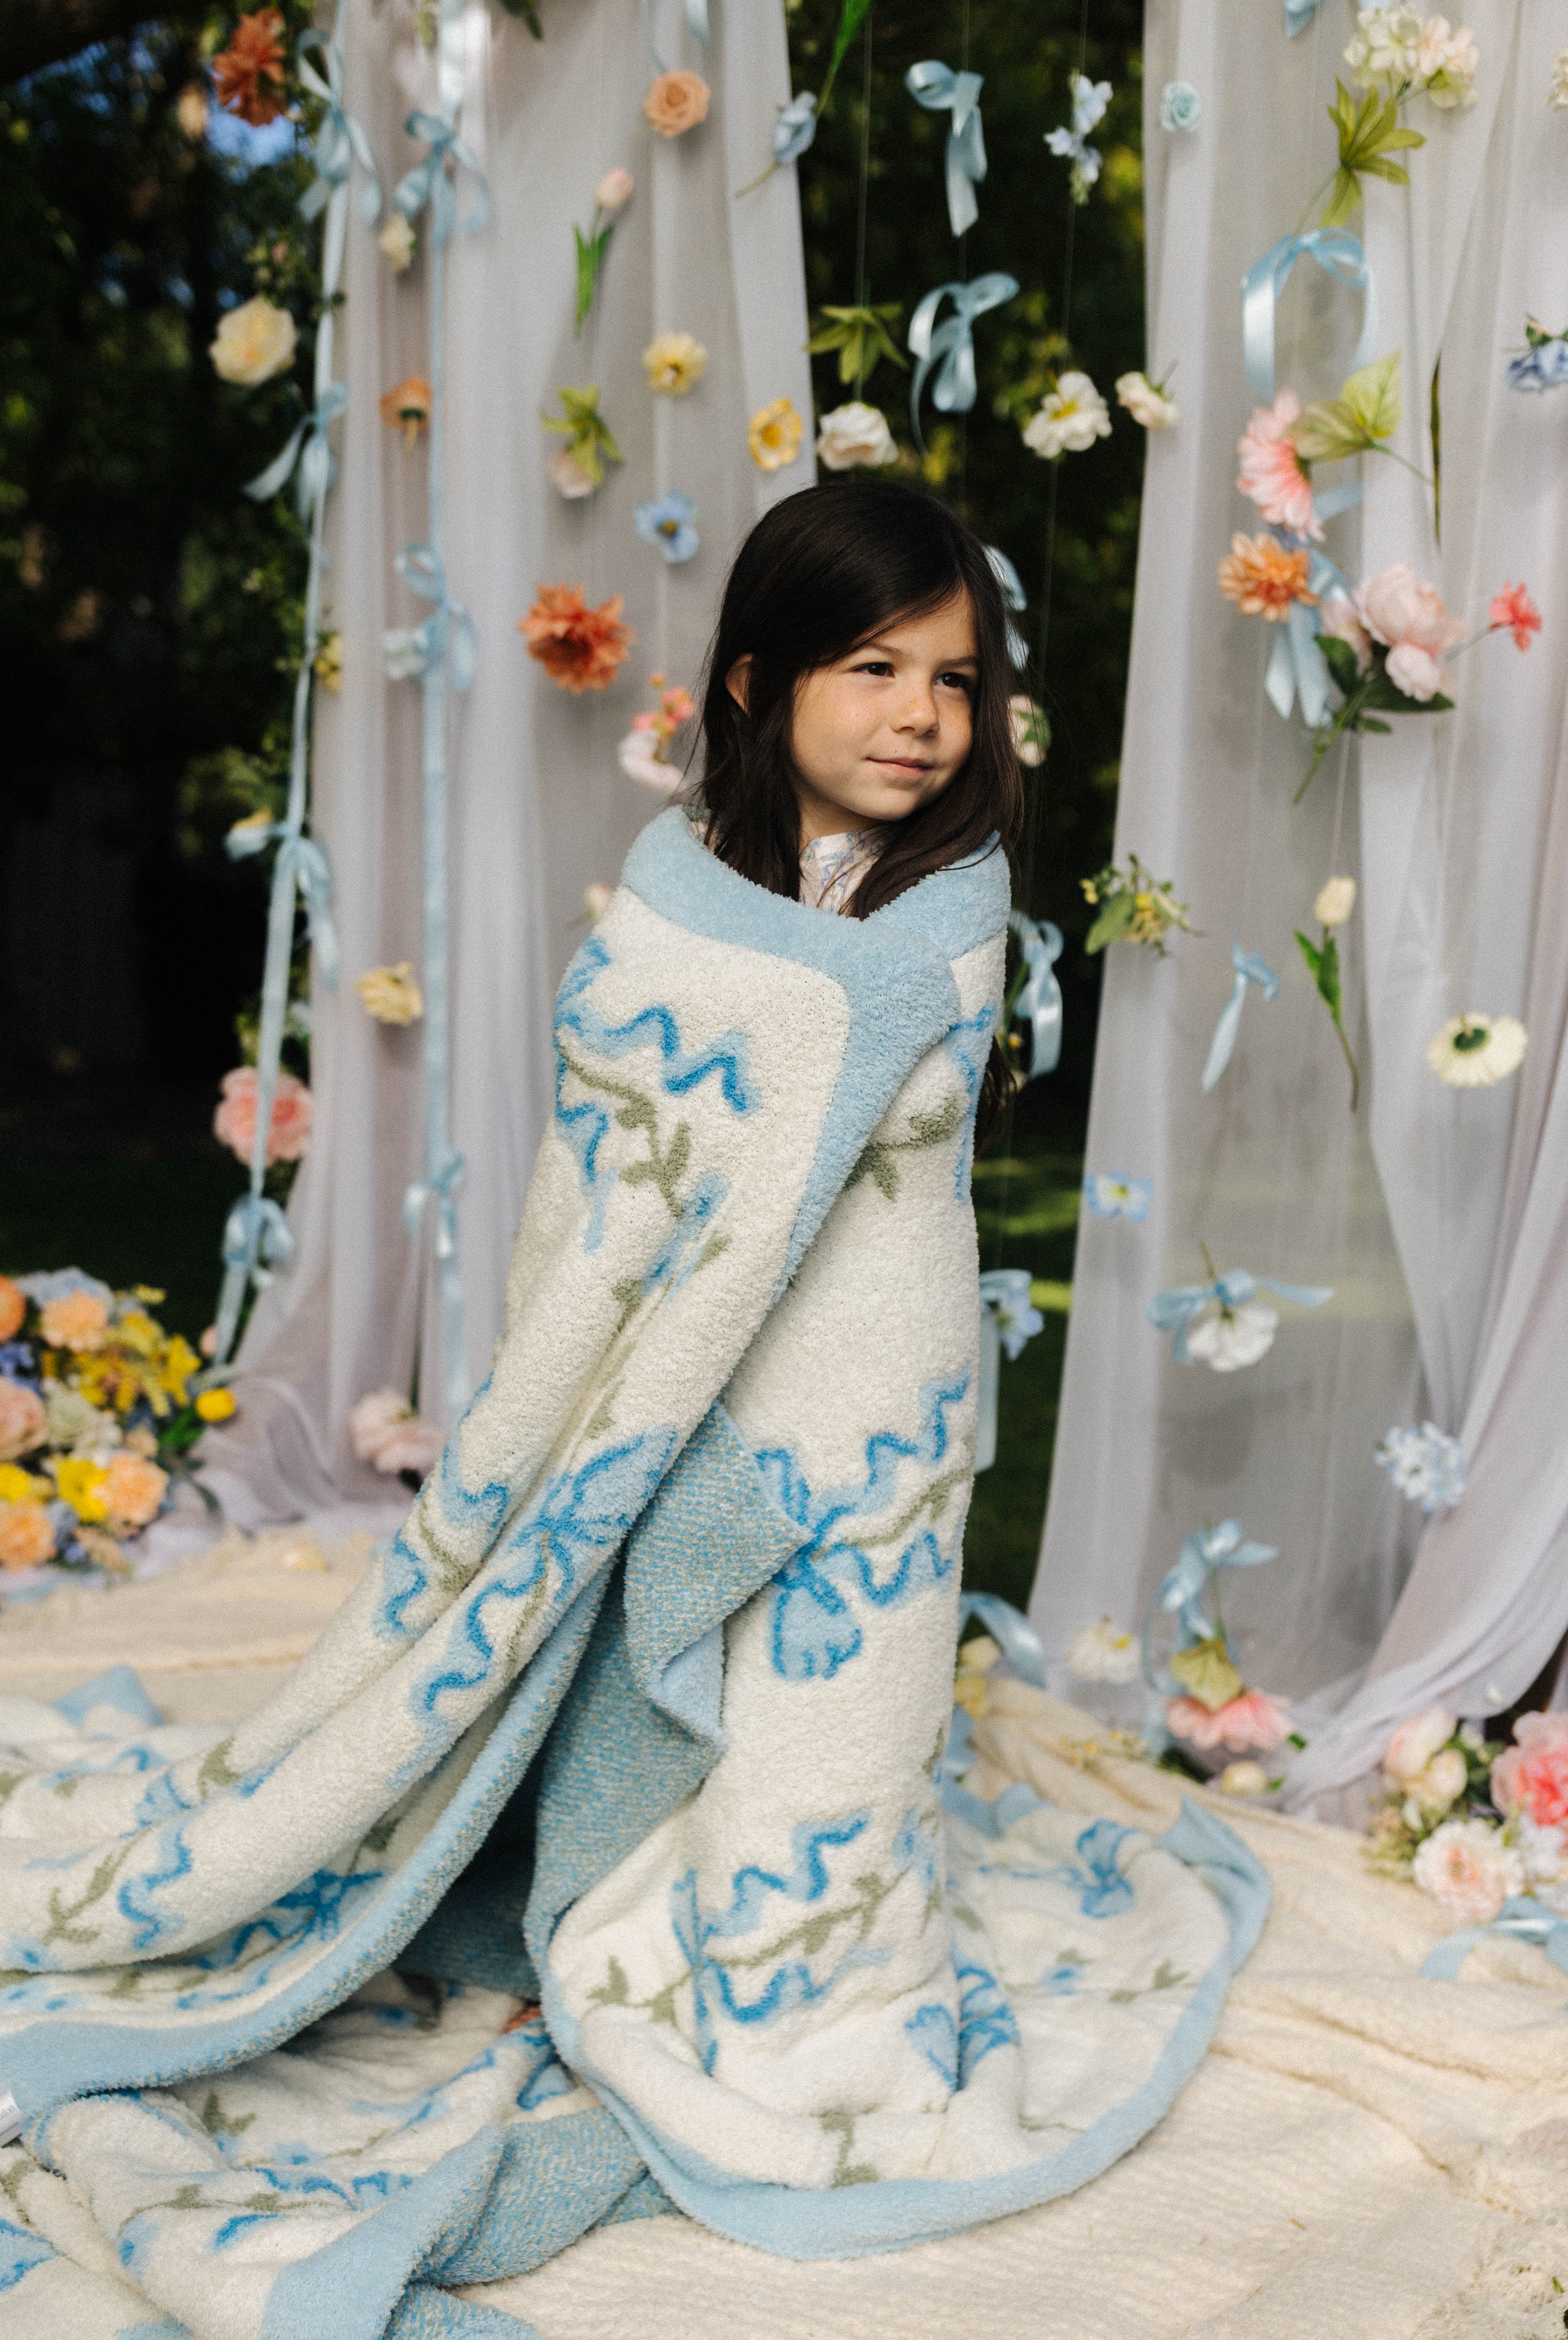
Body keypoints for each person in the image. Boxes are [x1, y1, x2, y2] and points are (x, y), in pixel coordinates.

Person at [0, 482, 1262, 2326]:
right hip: (646, 1402)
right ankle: (560, 1900)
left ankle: (757, 1980)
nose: (923, 713)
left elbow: (864, 1168)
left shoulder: (948, 914)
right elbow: (609, 1152)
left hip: (862, 1432)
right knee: (589, 1674)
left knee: (814, 1775)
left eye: (957, 678)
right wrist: (578, 1401)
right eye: (872, 667)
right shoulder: (681, 900)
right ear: (756, 684)